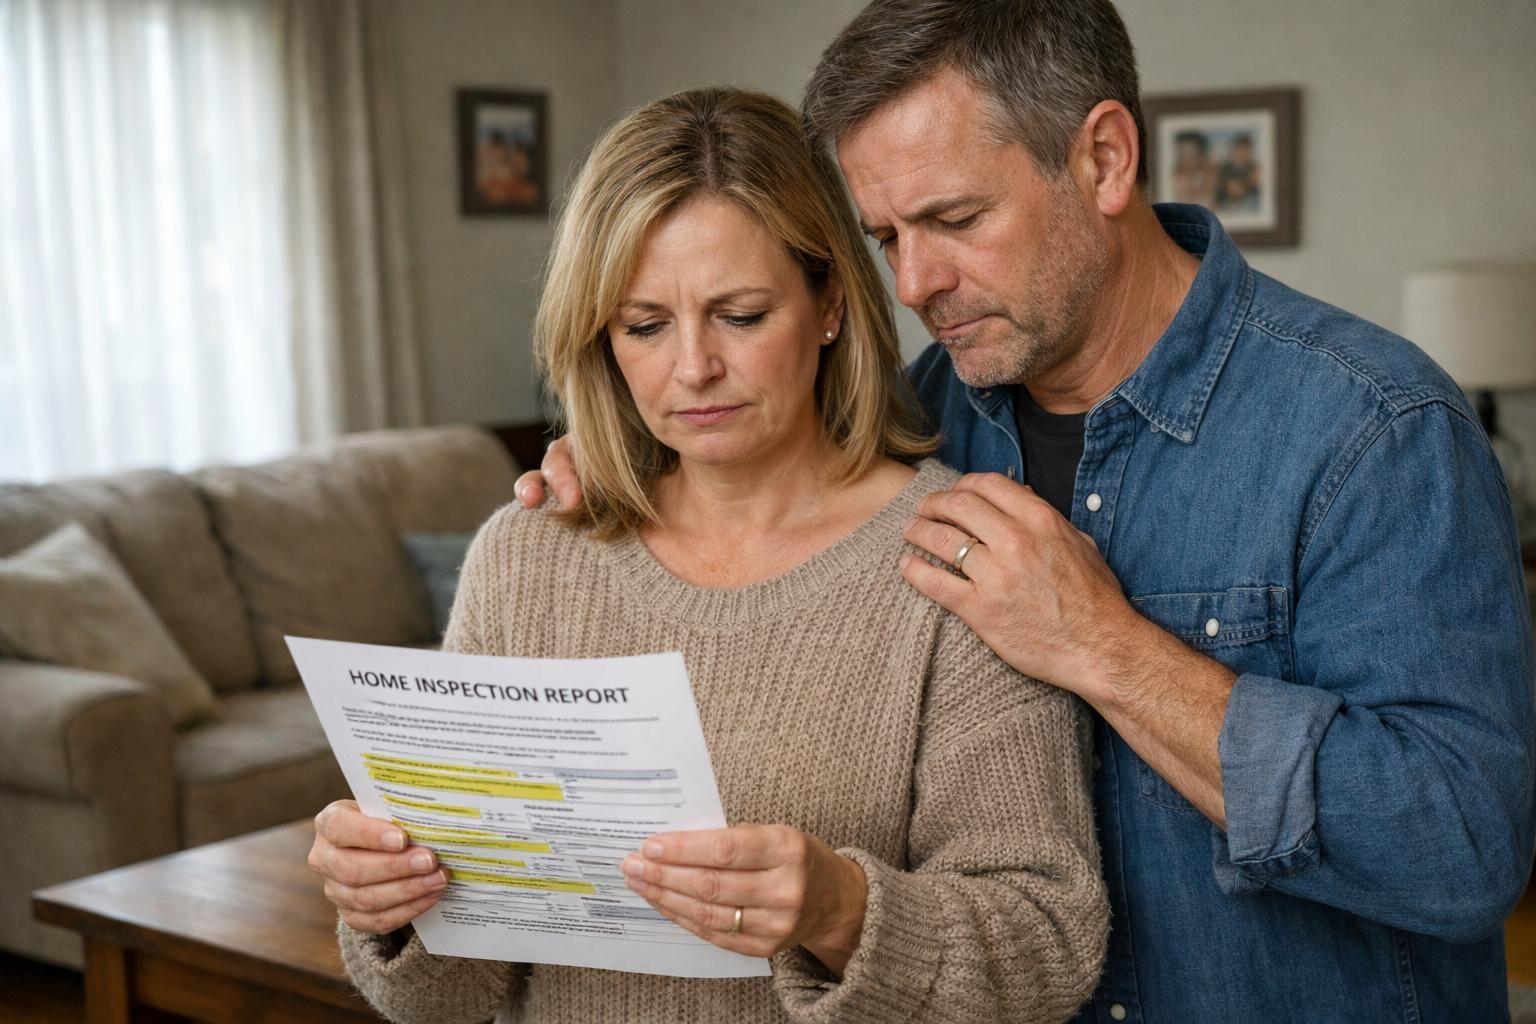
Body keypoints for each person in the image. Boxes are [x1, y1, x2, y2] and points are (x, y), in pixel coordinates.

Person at [520, 1, 1536, 1020]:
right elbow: (740, 456)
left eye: (957, 220)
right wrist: (626, 458)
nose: (915, 283)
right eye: (886, 237)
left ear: (1103, 160)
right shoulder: (916, 425)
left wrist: (1103, 646)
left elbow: (1464, 848)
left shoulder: (1374, 428)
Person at [308, 86, 1107, 1024]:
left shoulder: (958, 562)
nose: (692, 369)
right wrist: (389, 906)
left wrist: (841, 911)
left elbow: (1046, 947)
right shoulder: (529, 559)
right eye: (644, 325)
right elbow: (443, 1000)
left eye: (741, 315)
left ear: (830, 304)